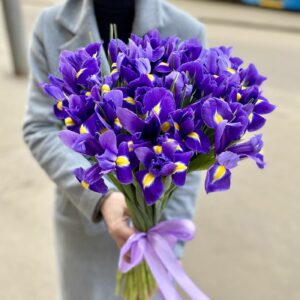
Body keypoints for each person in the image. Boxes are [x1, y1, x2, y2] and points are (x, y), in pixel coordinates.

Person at [22, 0, 207, 299]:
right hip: (84, 216)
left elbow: (190, 155)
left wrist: (170, 241)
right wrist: (102, 197)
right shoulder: (50, 25)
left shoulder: (187, 29)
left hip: (155, 228)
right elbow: (40, 128)